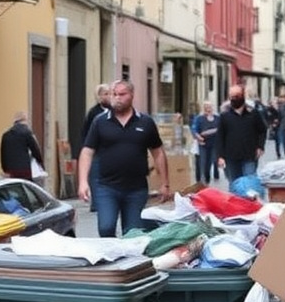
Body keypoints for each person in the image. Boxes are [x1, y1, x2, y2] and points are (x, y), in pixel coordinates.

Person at [78, 79, 171, 237]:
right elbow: (87, 151)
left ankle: (127, 261)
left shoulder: (145, 122)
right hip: (106, 187)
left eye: (122, 94)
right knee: (106, 228)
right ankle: (111, 258)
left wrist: (165, 184)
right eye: (114, 94)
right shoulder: (100, 121)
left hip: (136, 188)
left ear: (132, 95)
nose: (117, 98)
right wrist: (83, 182)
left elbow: (158, 152)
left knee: (132, 233)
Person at [216, 85, 267, 182]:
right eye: (231, 96)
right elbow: (220, 137)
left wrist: (260, 146)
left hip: (250, 155)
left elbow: (262, 130)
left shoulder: (253, 114)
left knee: (249, 184)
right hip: (231, 157)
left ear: (242, 96)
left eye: (236, 96)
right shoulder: (225, 116)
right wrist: (220, 156)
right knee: (235, 185)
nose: (234, 99)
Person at [80, 83, 112, 212]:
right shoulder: (94, 113)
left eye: (110, 93)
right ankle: (96, 203)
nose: (109, 96)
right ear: (99, 96)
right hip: (97, 150)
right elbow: (85, 132)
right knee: (95, 176)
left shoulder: (115, 110)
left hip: (110, 151)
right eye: (105, 94)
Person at [0, 111, 43, 181]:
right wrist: (40, 162)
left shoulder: (6, 135)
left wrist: (5, 169)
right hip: (24, 170)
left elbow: (3, 154)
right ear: (24, 121)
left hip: (10, 170)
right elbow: (35, 150)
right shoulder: (27, 133)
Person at [191, 101, 220, 184]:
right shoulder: (199, 118)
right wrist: (198, 137)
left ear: (212, 108)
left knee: (210, 163)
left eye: (209, 107)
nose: (208, 109)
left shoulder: (217, 118)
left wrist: (211, 131)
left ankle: (207, 179)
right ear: (203, 108)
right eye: (206, 107)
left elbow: (221, 130)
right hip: (202, 144)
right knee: (202, 163)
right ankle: (202, 182)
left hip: (214, 145)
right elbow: (194, 130)